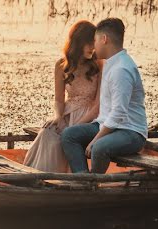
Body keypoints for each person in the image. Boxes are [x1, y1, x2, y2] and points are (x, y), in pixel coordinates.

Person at [60, 18, 147, 174]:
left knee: (99, 147)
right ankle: (84, 180)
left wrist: (95, 139)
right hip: (107, 126)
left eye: (95, 40)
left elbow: (118, 113)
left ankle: (93, 183)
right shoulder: (109, 63)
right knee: (69, 135)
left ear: (104, 39)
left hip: (130, 132)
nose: (93, 46)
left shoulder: (121, 69)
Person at [24, 21, 102, 172]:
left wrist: (76, 126)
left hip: (89, 117)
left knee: (69, 136)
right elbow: (59, 99)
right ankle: (40, 176)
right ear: (78, 42)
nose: (93, 47)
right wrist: (58, 116)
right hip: (67, 112)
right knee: (48, 132)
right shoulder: (61, 65)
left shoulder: (98, 65)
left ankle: (69, 178)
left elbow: (97, 106)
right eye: (89, 42)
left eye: (94, 42)